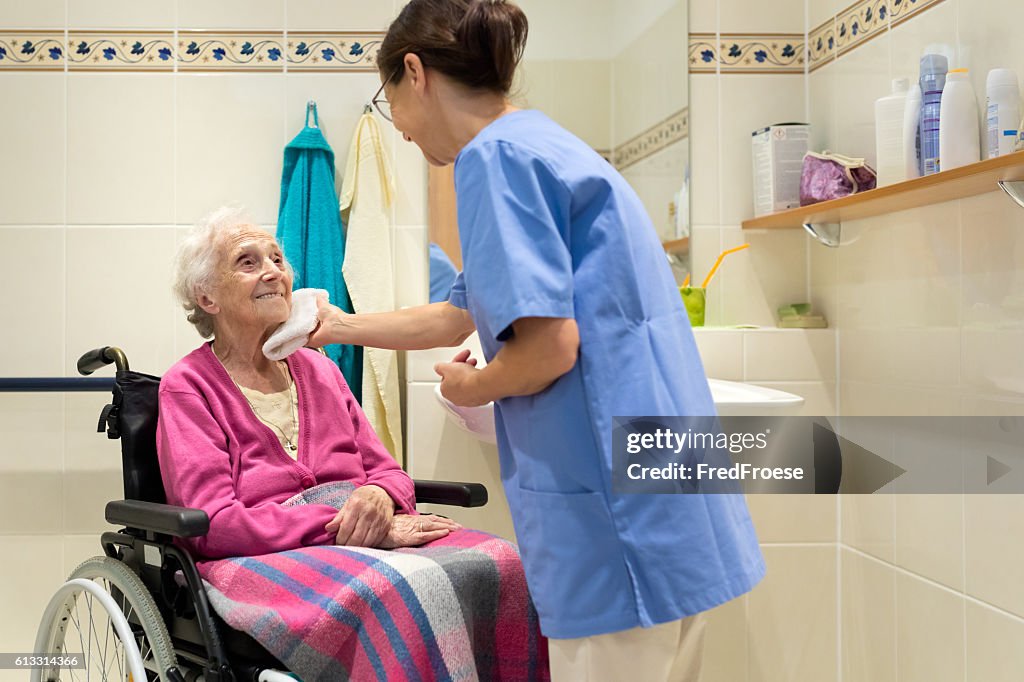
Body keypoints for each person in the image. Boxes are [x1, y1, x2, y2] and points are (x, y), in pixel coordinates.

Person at [309, 1, 766, 679]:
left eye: (389, 102)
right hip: (661, 504)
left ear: (415, 72)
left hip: (615, 526)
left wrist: (474, 383)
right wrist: (335, 326)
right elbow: (458, 312)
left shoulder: (490, 160)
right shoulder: (541, 144)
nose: (398, 127)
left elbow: (548, 349)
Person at [157, 205, 461, 559]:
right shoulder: (188, 387)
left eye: (277, 260)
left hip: (367, 542)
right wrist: (350, 528)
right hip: (268, 557)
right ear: (207, 296)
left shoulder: (320, 369)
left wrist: (380, 495)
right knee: (394, 591)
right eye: (248, 262)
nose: (274, 273)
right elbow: (215, 524)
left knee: (498, 561)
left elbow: (388, 472)